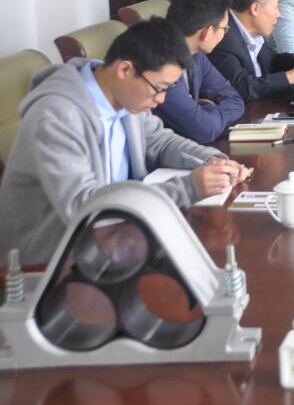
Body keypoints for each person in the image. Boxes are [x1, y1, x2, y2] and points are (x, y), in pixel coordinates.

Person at [0, 19, 250, 265]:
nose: (161, 99)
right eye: (159, 88)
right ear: (125, 70)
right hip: (48, 261)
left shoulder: (123, 97)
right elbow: (83, 207)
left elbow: (160, 140)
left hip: (116, 235)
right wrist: (188, 188)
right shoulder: (58, 116)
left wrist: (211, 159)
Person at [154, 0, 246, 143]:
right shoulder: (160, 63)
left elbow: (235, 100)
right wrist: (206, 110)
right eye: (224, 29)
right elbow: (203, 130)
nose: (224, 34)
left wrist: (201, 110)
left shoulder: (197, 54)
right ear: (207, 32)